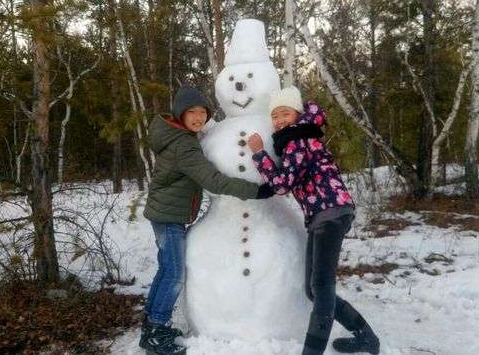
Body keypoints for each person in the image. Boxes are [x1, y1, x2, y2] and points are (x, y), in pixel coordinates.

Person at [141, 86, 274, 355]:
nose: (199, 117)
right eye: (192, 112)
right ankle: (155, 329)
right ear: (181, 114)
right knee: (175, 274)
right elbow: (212, 179)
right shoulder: (183, 145)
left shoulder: (179, 136)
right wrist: (256, 190)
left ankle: (152, 323)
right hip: (169, 217)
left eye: (203, 112)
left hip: (166, 213)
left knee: (167, 270)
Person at [248, 86, 380, 355]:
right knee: (314, 288)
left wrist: (260, 154)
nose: (280, 120)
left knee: (320, 287)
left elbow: (283, 184)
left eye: (285, 113)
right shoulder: (297, 137)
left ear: (296, 114)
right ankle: (366, 337)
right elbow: (289, 179)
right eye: (275, 116)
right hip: (324, 214)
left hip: (330, 212)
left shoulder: (298, 140)